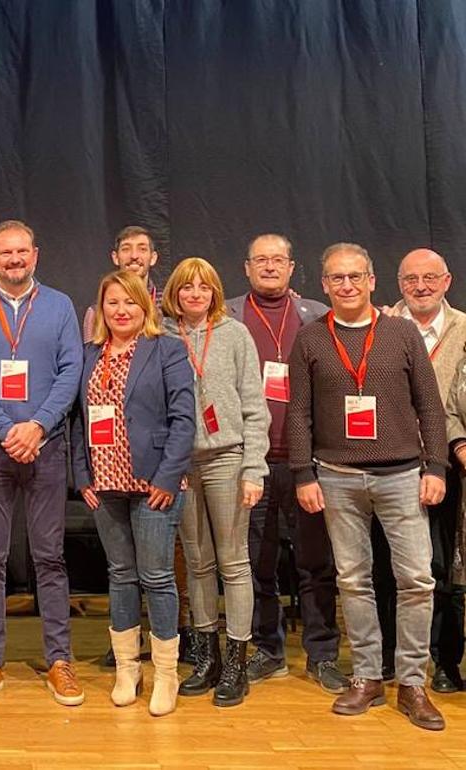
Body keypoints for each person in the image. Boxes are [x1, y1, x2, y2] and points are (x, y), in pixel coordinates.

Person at [289, 242, 447, 730]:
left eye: (356, 276)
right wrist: (303, 473)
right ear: (324, 285)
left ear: (373, 281)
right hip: (336, 476)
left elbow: (430, 406)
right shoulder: (311, 339)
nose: (347, 285)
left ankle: (413, 682)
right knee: (353, 581)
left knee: (416, 579)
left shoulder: (400, 334)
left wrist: (436, 467)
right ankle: (366, 677)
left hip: (402, 474)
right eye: (337, 278)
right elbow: (298, 411)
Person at [0, 219, 84, 706]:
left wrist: (39, 426)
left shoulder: (60, 306)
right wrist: (7, 429)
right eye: (5, 252)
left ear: (36, 255)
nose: (14, 259)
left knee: (50, 557)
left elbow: (72, 371)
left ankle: (60, 661)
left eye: (22, 251)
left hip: (46, 447)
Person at [225, 233, 345, 694]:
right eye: (261, 260)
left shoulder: (318, 315)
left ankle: (322, 654)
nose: (270, 267)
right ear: (246, 267)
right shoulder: (228, 315)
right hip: (250, 461)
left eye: (278, 260)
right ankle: (268, 650)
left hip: (307, 462)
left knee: (317, 563)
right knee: (257, 562)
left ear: (293, 268)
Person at [71, 270, 195, 716]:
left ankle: (165, 674)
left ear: (146, 307)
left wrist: (167, 477)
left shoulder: (167, 350)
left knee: (158, 577)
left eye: (130, 302)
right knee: (121, 575)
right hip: (104, 485)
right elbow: (76, 422)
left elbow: (184, 419)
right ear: (101, 308)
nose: (121, 310)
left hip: (154, 485)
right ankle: (127, 669)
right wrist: (82, 475)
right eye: (112, 302)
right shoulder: (88, 355)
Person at [161, 257, 269, 707]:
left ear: (215, 293)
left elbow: (254, 405)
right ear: (175, 293)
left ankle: (236, 660)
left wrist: (254, 468)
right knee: (198, 561)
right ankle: (205, 656)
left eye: (204, 287)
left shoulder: (235, 334)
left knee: (233, 560)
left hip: (228, 458)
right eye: (187, 287)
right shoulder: (161, 336)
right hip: (181, 464)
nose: (195, 295)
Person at [378, 248, 466, 693]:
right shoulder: (379, 327)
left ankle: (445, 660)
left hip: (448, 463)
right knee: (386, 566)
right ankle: (390, 657)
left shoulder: (465, 328)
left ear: (447, 281)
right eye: (411, 278)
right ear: (399, 282)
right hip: (389, 461)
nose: (421, 286)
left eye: (430, 278)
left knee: (443, 565)